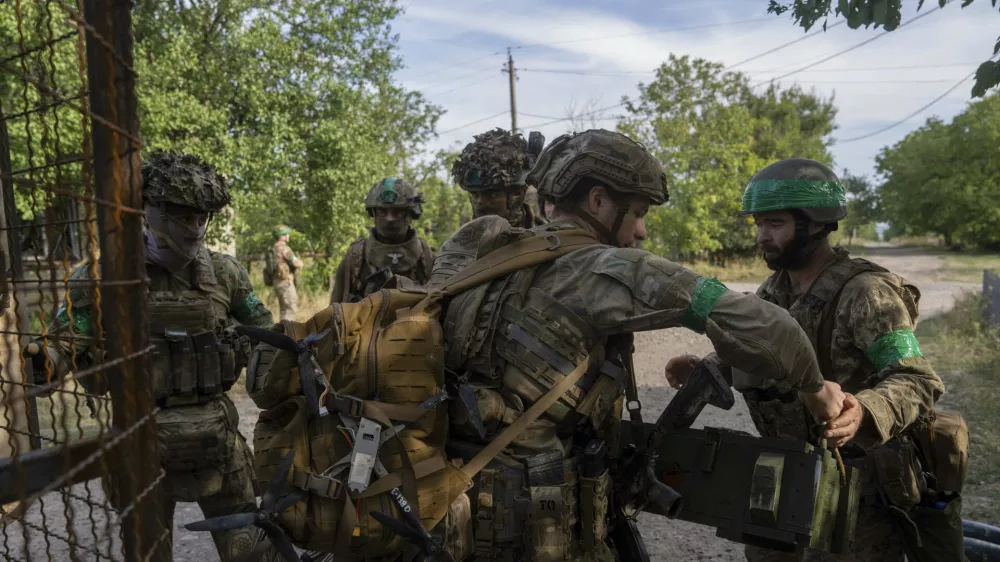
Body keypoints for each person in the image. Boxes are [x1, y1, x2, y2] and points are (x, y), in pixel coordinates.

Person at [433, 130, 847, 561]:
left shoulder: (478, 251)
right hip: (536, 525)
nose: (643, 231)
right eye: (638, 213)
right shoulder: (603, 268)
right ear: (597, 201)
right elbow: (771, 329)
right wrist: (816, 390)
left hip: (450, 511)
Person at [665, 158, 946, 562]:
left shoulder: (867, 293)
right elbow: (760, 349)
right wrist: (711, 364)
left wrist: (864, 411)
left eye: (774, 224)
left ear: (815, 224)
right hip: (782, 476)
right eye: (758, 224)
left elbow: (917, 379)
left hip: (856, 490)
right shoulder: (772, 292)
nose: (762, 236)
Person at [27, 151, 273, 562]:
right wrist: (43, 362)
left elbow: (264, 332)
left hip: (217, 442)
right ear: (150, 211)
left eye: (201, 217)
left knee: (249, 551)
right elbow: (66, 341)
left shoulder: (225, 273)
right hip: (142, 446)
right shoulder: (104, 278)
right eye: (182, 216)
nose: (195, 228)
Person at [330, 177, 434, 304]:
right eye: (381, 211)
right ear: (373, 213)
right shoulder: (355, 257)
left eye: (397, 212)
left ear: (410, 214)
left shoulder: (427, 258)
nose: (389, 219)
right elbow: (335, 309)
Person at [451, 128, 547, 228]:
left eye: (492, 194)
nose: (480, 202)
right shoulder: (465, 236)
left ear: (518, 194)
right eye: (475, 194)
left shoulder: (547, 234)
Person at [268, 224, 304, 321]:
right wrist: (301, 263)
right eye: (286, 234)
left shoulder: (273, 248)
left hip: (277, 282)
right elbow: (295, 262)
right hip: (285, 283)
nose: (288, 236)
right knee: (290, 309)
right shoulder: (283, 248)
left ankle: (283, 328)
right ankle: (287, 329)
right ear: (281, 236)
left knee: (284, 310)